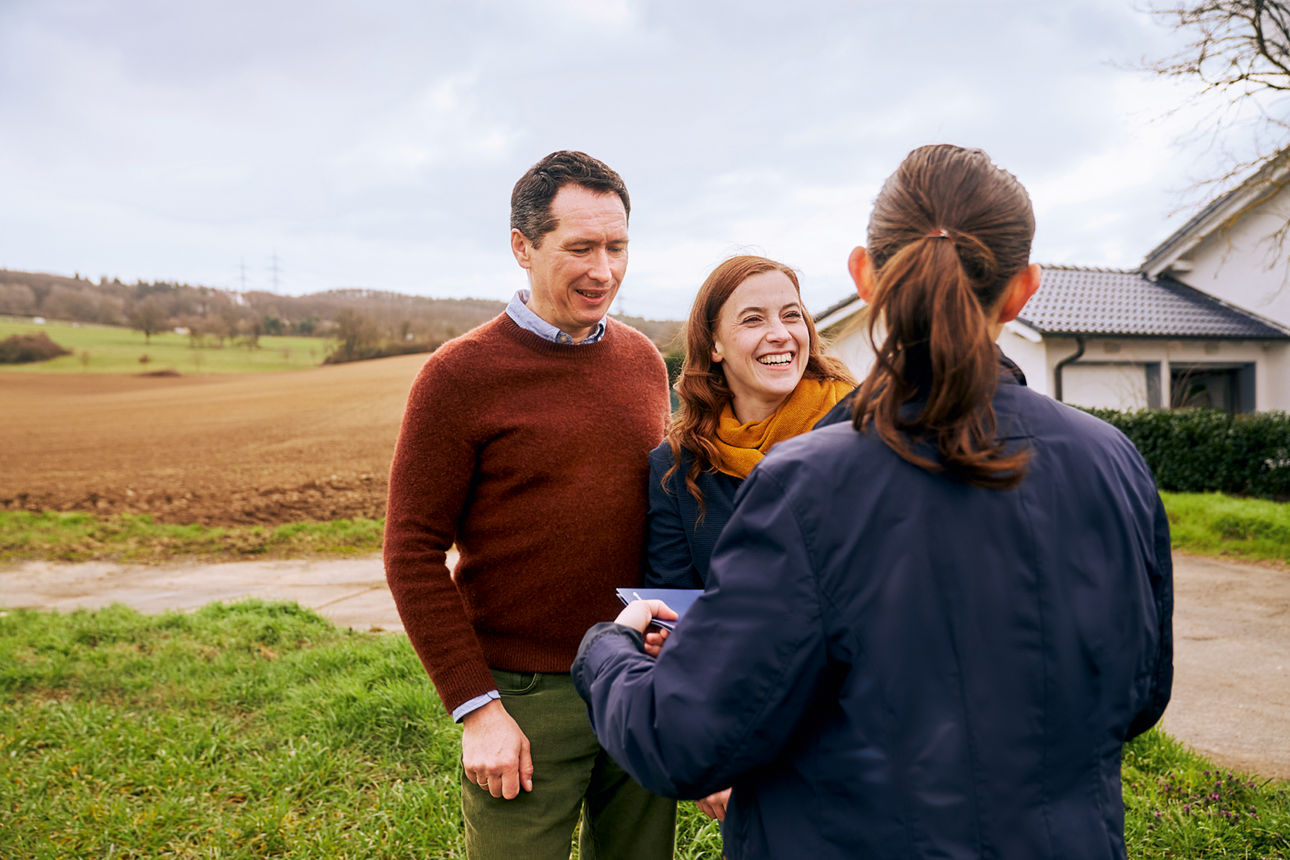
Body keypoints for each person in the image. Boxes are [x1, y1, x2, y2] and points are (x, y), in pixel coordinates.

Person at [572, 144, 1174, 859]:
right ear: (1023, 290)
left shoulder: (804, 485)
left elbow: (682, 739)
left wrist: (606, 650)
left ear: (865, 278)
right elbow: (1139, 697)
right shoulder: (1114, 462)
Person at [383, 150, 675, 859]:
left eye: (617, 246)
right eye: (580, 248)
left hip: (637, 674)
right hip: (523, 697)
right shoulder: (459, 376)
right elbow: (412, 550)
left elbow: (663, 517)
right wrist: (477, 708)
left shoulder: (643, 361)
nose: (603, 269)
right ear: (522, 246)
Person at [646, 255, 855, 591]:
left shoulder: (861, 432)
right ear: (714, 343)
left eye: (791, 316)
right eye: (753, 319)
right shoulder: (676, 464)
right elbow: (671, 602)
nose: (779, 334)